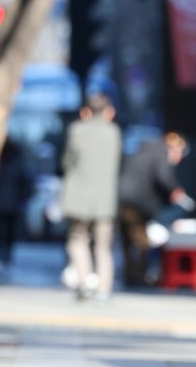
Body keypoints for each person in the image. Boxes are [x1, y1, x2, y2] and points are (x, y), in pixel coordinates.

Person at [59, 94, 123, 301]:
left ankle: (85, 281)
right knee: (104, 246)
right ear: (108, 111)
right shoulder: (114, 132)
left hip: (78, 196)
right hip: (105, 199)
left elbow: (67, 161)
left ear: (86, 111)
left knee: (77, 240)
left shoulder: (77, 130)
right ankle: (104, 288)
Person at [118, 131, 195, 287]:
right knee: (142, 241)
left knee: (127, 240)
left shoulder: (144, 148)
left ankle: (129, 275)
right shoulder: (162, 153)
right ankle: (138, 276)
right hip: (139, 201)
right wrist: (175, 190)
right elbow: (163, 175)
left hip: (121, 197)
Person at [0, 137, 33, 282]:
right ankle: (3, 260)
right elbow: (26, 181)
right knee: (7, 236)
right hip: (11, 205)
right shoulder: (17, 160)